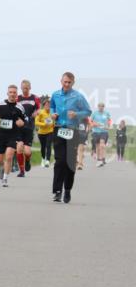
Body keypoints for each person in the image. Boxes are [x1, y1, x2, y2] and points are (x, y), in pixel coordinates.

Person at [50, 71, 92, 203]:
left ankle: (67, 189)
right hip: (58, 129)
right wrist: (53, 114)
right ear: (61, 81)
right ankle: (57, 191)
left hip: (72, 131)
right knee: (59, 161)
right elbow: (52, 107)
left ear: (73, 83)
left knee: (70, 163)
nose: (67, 84)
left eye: (69, 82)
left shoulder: (78, 96)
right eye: (65, 81)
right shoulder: (55, 95)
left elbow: (88, 111)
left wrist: (77, 115)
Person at [0, 85, 27, 188]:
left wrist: (22, 123)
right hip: (0, 135)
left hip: (12, 135)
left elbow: (26, 120)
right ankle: (2, 168)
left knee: (8, 156)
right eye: (10, 92)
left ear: (17, 94)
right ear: (7, 93)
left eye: (14, 92)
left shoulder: (20, 107)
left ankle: (5, 178)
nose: (12, 94)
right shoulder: (0, 105)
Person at [15, 79, 41, 176]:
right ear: (21, 88)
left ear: (30, 88)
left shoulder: (35, 98)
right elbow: (13, 109)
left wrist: (37, 112)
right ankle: (21, 171)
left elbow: (39, 109)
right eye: (23, 88)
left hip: (29, 127)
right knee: (19, 148)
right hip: (19, 127)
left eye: (26, 88)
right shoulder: (18, 98)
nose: (25, 90)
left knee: (27, 151)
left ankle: (28, 160)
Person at [35, 97, 55, 167]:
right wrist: (44, 124)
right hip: (41, 133)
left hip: (50, 132)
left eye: (49, 105)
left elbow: (55, 120)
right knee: (43, 147)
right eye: (46, 105)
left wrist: (54, 123)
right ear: (43, 106)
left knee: (48, 145)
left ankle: (48, 161)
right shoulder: (40, 112)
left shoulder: (52, 113)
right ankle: (43, 159)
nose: (48, 106)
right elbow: (36, 122)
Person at [90, 102, 111, 167]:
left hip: (104, 131)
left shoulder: (106, 113)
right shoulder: (94, 113)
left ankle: (102, 159)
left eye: (102, 106)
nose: (101, 107)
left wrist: (108, 125)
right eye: (99, 106)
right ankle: (99, 159)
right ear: (98, 106)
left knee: (102, 145)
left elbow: (109, 120)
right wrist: (94, 124)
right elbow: (90, 121)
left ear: (104, 107)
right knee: (97, 146)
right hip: (95, 131)